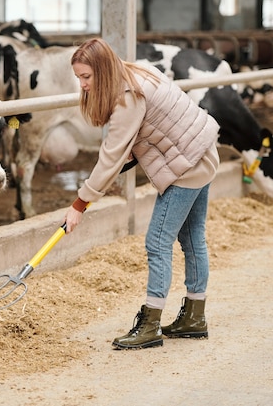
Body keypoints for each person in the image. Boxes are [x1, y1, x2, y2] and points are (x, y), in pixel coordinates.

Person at [65, 38, 220, 350]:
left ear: (103, 71)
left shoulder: (127, 98)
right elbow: (146, 136)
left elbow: (111, 155)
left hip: (188, 165)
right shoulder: (138, 72)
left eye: (87, 77)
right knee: (192, 238)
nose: (82, 85)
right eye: (79, 77)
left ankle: (150, 324)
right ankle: (194, 317)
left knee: (157, 241)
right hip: (201, 151)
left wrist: (80, 203)